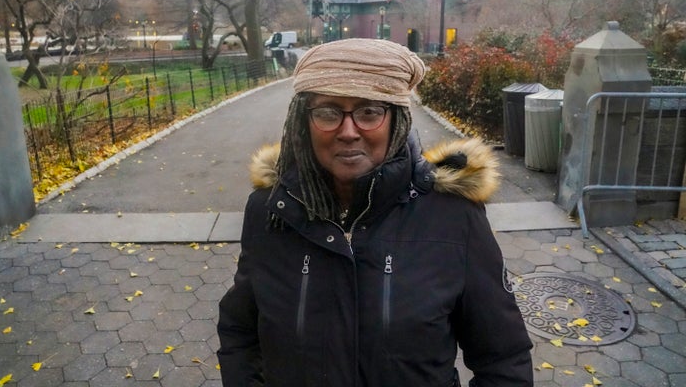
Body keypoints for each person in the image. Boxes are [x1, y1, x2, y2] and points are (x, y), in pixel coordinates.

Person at [217, 38, 533, 386]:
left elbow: (504, 360)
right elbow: (240, 333)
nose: (348, 131)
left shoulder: (454, 218)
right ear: (302, 122)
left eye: (369, 111)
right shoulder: (271, 211)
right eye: (328, 112)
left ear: (396, 119)